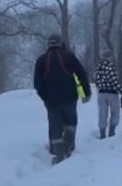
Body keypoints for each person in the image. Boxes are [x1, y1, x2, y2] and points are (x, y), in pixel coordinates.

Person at [33, 34, 91, 164]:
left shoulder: (41, 60)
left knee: (55, 126)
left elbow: (37, 84)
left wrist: (44, 97)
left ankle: (58, 153)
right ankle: (68, 147)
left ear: (48, 44)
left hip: (51, 101)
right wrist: (86, 92)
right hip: (70, 97)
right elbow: (82, 74)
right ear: (61, 43)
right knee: (70, 123)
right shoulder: (69, 56)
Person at [94, 46, 122, 139]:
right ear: (110, 56)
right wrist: (121, 89)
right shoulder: (110, 66)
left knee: (102, 113)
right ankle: (111, 131)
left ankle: (102, 133)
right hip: (112, 93)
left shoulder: (98, 67)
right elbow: (114, 81)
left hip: (101, 93)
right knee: (115, 113)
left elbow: (96, 80)